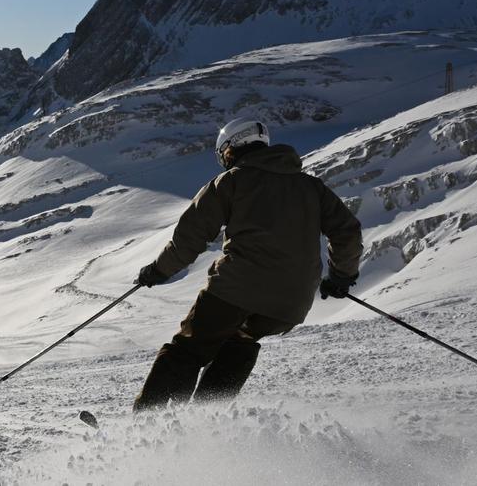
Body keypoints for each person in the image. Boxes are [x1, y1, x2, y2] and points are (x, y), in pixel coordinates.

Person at [132, 118, 362, 411]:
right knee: (239, 342)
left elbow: (190, 237)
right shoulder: (311, 187)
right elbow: (347, 232)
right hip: (291, 303)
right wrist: (341, 276)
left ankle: (148, 422)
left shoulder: (231, 181)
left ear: (230, 149)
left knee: (189, 348)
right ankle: (206, 421)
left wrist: (158, 270)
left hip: (236, 288)